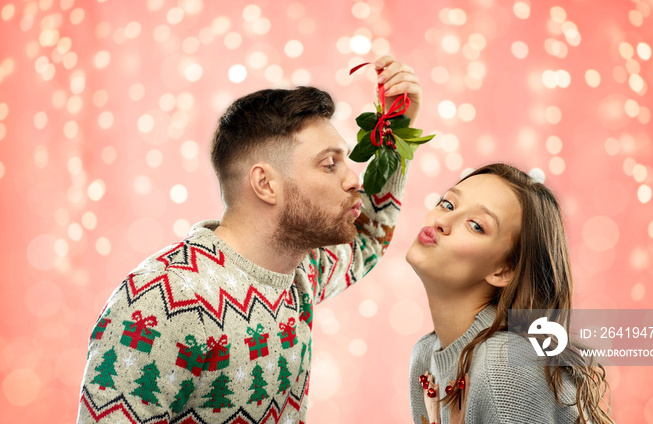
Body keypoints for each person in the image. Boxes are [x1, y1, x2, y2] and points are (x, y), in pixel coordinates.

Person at [77, 56, 421, 424]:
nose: (354, 180)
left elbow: (367, 237)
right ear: (265, 184)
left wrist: (396, 130)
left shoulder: (301, 270)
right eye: (329, 164)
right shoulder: (160, 299)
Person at [406, 163, 614, 424]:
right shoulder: (425, 357)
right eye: (448, 204)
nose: (442, 221)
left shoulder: (503, 364)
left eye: (476, 225)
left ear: (503, 270)